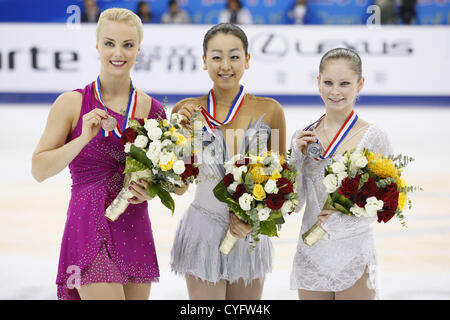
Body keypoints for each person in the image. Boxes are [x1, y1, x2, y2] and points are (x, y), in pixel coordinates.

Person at [32, 8, 171, 300]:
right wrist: (82, 139)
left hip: (134, 226)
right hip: (88, 225)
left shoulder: (154, 110)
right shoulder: (72, 103)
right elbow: (39, 170)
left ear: (138, 49)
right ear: (97, 46)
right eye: (109, 43)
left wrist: (151, 191)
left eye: (127, 44)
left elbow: (164, 176)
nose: (118, 52)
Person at [170, 23, 286, 300]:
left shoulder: (270, 110)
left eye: (234, 56)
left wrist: (253, 220)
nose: (225, 65)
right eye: (216, 57)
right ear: (204, 61)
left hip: (249, 232)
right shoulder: (186, 110)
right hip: (202, 229)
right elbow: (178, 187)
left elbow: (283, 186)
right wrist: (182, 131)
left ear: (247, 60)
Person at [289, 48, 393, 300]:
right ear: (318, 82)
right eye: (328, 83)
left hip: (353, 251)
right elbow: (294, 203)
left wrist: (341, 219)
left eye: (344, 83)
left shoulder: (374, 137)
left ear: (360, 84)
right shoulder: (304, 136)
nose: (335, 91)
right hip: (312, 250)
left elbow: (387, 204)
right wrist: (295, 158)